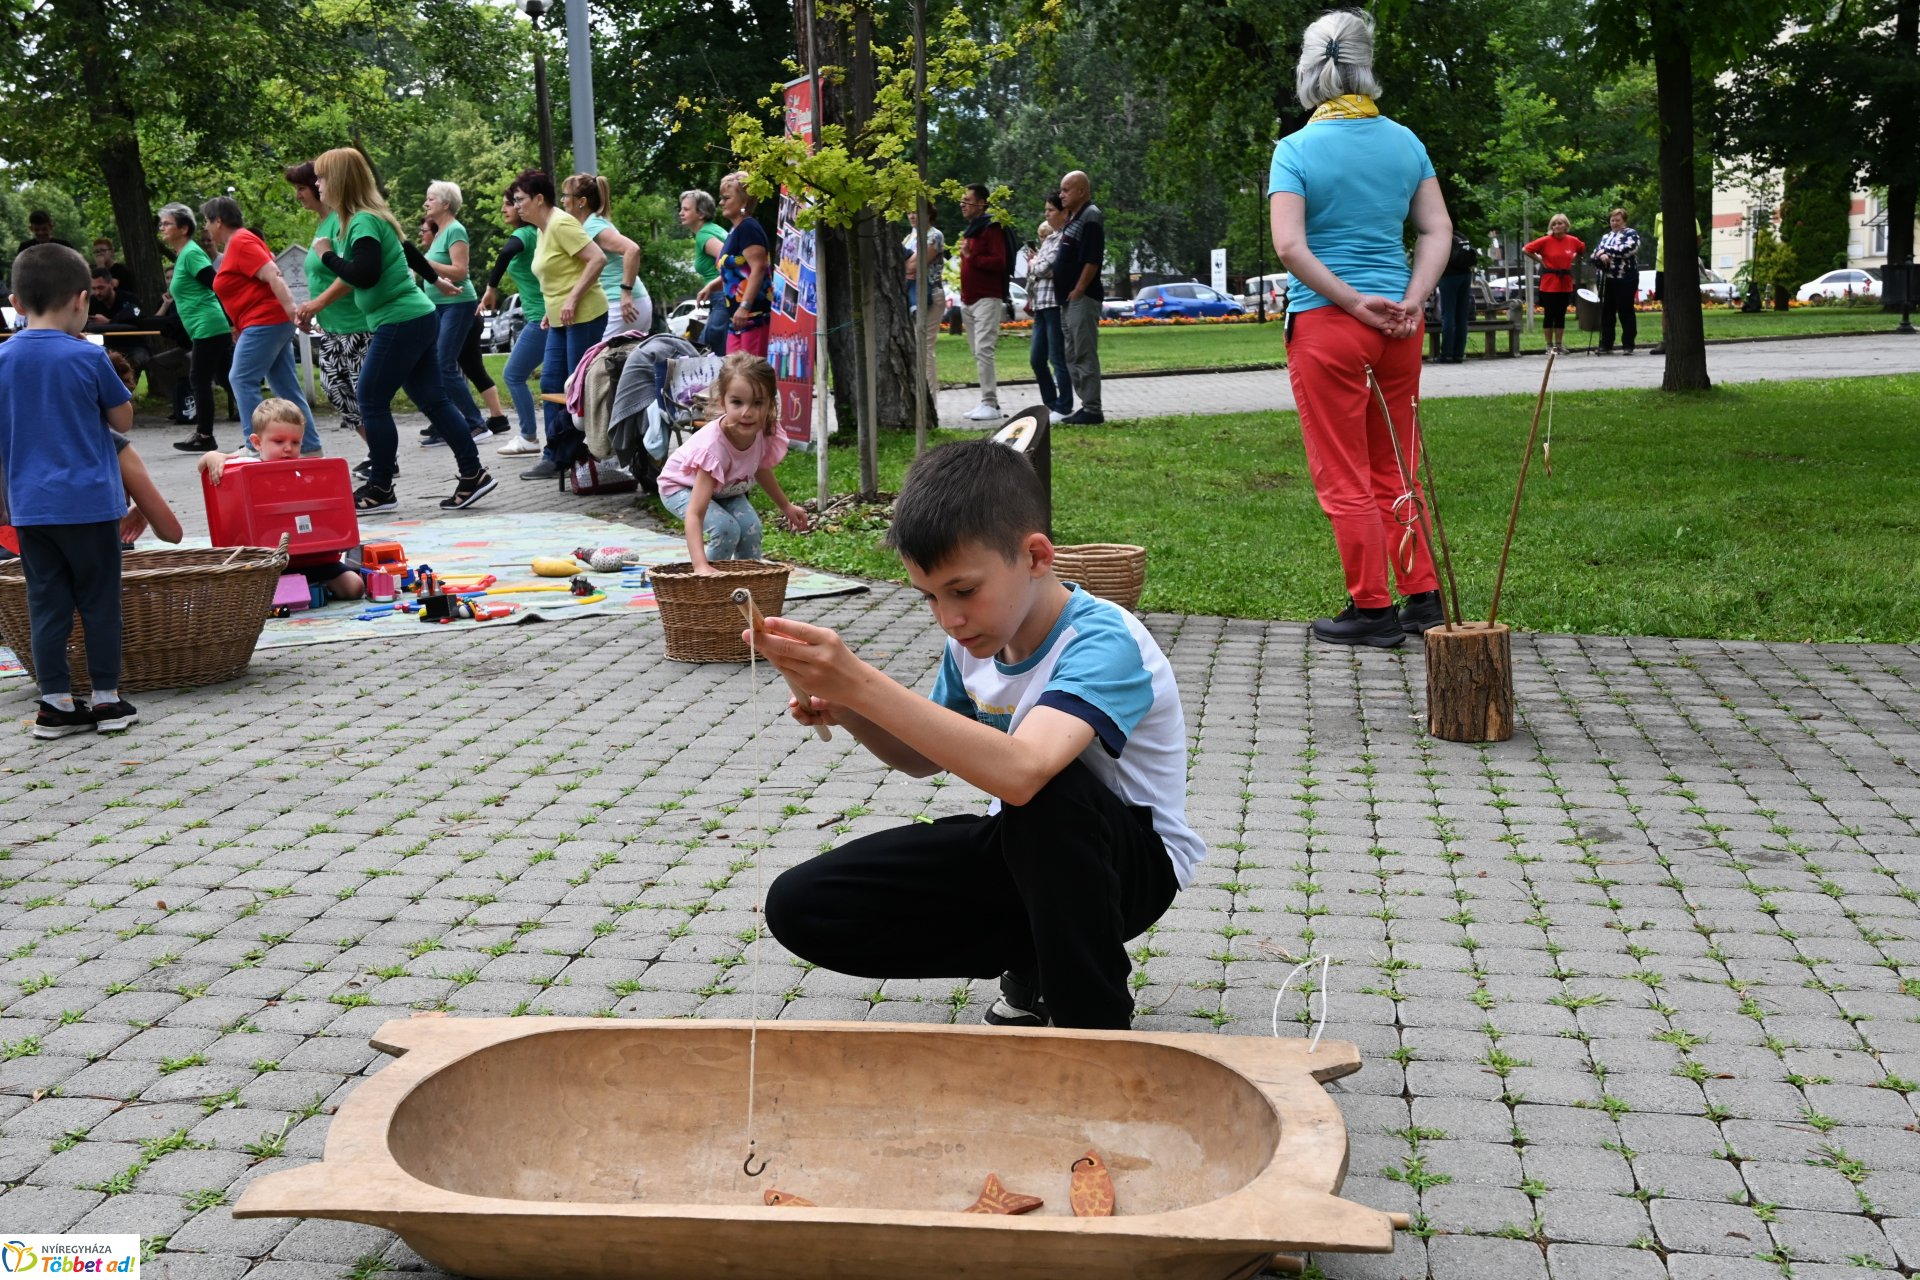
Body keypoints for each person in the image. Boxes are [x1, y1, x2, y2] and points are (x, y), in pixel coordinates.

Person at [752, 438, 1202, 1030]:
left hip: (1131, 867)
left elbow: (1023, 772)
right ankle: (1036, 956)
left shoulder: (1105, 641)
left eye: (963, 591)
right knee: (804, 906)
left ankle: (1092, 1025)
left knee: (1047, 792)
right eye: (931, 598)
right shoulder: (971, 644)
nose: (950, 618)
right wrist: (850, 709)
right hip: (1029, 851)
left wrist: (862, 682)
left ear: (1036, 557)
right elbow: (919, 758)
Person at [1268, 8, 1451, 647]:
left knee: (1343, 470)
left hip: (1328, 322)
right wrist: (1411, 299)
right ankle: (1422, 597)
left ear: (1308, 69)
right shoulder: (1407, 143)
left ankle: (1372, 609)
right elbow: (1435, 229)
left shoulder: (1294, 150)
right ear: (1366, 64)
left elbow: (1290, 248)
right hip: (1399, 325)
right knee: (1396, 465)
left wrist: (1352, 302)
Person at [0, 244, 146, 737]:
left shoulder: (1, 359)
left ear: (16, 302)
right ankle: (105, 698)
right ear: (83, 300)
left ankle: (55, 703)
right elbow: (122, 417)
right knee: (100, 600)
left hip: (31, 508)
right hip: (89, 504)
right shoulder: (89, 355)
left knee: (47, 603)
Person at [301, 147, 495, 513]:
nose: (317, 184)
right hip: (414, 317)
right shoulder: (370, 217)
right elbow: (407, 251)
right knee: (433, 399)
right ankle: (473, 474)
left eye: (322, 177)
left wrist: (326, 253)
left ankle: (380, 487)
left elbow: (365, 273)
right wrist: (435, 279)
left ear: (340, 180)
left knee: (371, 399)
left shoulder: (360, 221)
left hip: (400, 320)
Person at [199, 399, 367, 602]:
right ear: (257, 442)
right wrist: (212, 457)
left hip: (314, 558)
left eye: (295, 442)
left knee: (354, 587)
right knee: (257, 598)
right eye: (279, 442)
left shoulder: (304, 473)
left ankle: (313, 585)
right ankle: (302, 588)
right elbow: (205, 465)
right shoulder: (248, 465)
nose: (288, 448)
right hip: (269, 563)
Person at [656, 353, 807, 572]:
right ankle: (708, 586)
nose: (747, 412)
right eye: (737, 402)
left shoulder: (764, 432)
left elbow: (760, 467)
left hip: (723, 488)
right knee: (725, 528)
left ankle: (746, 583)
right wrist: (699, 565)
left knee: (750, 528)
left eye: (757, 403)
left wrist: (785, 505)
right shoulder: (714, 447)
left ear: (770, 403)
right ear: (722, 401)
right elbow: (695, 513)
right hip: (681, 487)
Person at [203, 196, 323, 456]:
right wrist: (238, 325)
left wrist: (293, 310)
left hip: (266, 320)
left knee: (241, 377)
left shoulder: (242, 241)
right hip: (264, 322)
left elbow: (273, 274)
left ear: (218, 221)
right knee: (286, 387)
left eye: (207, 221)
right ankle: (311, 447)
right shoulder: (239, 243)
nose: (207, 228)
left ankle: (254, 445)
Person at [509, 169, 607, 482]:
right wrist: (554, 308)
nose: (516, 205)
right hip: (560, 319)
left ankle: (570, 455)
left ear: (540, 199)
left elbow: (597, 259)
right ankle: (556, 454)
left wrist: (572, 299)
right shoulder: (541, 229)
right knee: (550, 382)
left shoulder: (562, 223)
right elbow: (558, 274)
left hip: (586, 314)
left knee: (573, 387)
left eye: (521, 199)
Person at [283, 162, 374, 454]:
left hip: (356, 324)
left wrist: (316, 304)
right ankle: (378, 452)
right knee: (337, 391)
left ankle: (383, 459)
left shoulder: (341, 222)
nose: (298, 195)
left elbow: (350, 275)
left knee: (365, 397)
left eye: (302, 188)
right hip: (333, 327)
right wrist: (311, 310)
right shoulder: (322, 225)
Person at [418, 181, 498, 442]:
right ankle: (446, 425)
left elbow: (460, 271)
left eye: (430, 199)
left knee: (443, 364)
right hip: (438, 306)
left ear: (445, 204)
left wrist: (426, 263)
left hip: (458, 305)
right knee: (436, 365)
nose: (426, 203)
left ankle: (477, 424)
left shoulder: (455, 230)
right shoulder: (439, 232)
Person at [157, 203, 235, 453]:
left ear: (183, 228)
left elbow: (217, 284)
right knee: (229, 379)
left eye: (167, 223)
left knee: (199, 378)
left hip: (209, 325)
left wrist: (234, 319)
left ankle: (204, 435)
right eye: (162, 223)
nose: (162, 228)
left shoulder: (191, 254)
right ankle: (263, 424)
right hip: (206, 326)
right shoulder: (183, 255)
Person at [481, 188, 548, 457]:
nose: (504, 209)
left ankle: (529, 436)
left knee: (513, 374)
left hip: (541, 319)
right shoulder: (536, 233)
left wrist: (491, 287)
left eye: (509, 204)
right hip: (544, 315)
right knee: (553, 381)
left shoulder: (523, 234)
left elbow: (506, 252)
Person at [562, 174, 650, 337]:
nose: (563, 201)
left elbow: (632, 249)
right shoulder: (594, 223)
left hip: (622, 306)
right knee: (626, 361)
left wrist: (626, 293)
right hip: (631, 304)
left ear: (581, 202)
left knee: (596, 360)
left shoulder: (593, 226)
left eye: (566, 196)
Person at [698, 172, 772, 359]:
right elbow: (738, 270)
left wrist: (745, 306)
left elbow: (758, 268)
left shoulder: (748, 228)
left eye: (726, 198)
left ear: (743, 201)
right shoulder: (735, 230)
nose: (721, 203)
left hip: (752, 314)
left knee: (749, 374)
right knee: (734, 370)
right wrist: (712, 286)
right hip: (737, 317)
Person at [1054, 170, 1106, 424]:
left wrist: (1079, 288)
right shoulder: (1073, 218)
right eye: (1061, 190)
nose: (1061, 194)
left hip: (1081, 299)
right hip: (1068, 299)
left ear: (1082, 191)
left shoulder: (1091, 216)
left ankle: (1093, 409)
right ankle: (1085, 406)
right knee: (1072, 353)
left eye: (1066, 190)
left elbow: (1092, 258)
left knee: (1084, 352)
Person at [958, 184, 1011, 422]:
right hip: (969, 299)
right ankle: (985, 402)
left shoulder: (992, 228)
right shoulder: (972, 229)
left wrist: (973, 257)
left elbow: (1000, 262)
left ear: (981, 203)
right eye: (962, 200)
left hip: (987, 298)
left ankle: (990, 403)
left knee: (984, 351)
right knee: (976, 352)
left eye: (967, 200)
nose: (962, 204)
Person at [1025, 194, 1071, 420]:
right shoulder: (1050, 240)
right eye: (1045, 210)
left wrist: (1035, 265)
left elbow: (1042, 268)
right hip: (1040, 305)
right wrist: (1038, 267)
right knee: (1036, 359)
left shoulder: (1065, 238)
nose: (1046, 214)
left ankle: (1064, 406)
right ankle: (1050, 403)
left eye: (1051, 210)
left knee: (1057, 357)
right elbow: (1039, 272)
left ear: (1063, 212)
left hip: (1054, 304)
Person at [1523, 214, 1583, 356]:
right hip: (1549, 282)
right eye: (1554, 224)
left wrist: (1573, 259)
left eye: (1560, 223)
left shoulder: (1572, 241)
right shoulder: (1545, 241)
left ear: (1566, 226)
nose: (1557, 226)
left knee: (1561, 315)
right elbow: (1526, 249)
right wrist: (1539, 260)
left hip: (1565, 282)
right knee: (1549, 315)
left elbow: (1581, 249)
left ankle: (1559, 344)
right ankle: (1549, 346)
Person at [903, 204, 946, 404]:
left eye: (916, 211)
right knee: (916, 348)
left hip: (930, 295)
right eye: (909, 211)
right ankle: (919, 399)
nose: (912, 215)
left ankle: (929, 402)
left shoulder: (934, 236)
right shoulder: (910, 236)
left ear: (928, 213)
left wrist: (908, 265)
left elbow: (913, 265)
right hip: (914, 294)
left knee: (924, 348)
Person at [679, 189, 729, 350]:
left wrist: (710, 286)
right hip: (724, 296)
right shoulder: (713, 229)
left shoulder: (704, 235)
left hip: (722, 296)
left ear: (701, 214)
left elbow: (730, 262)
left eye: (686, 209)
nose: (681, 213)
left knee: (708, 347)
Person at [1591, 208, 1640, 355]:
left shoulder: (1631, 233)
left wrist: (1604, 252)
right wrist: (1600, 253)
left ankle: (1628, 344)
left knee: (1626, 311)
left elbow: (1628, 250)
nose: (1615, 223)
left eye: (1618, 220)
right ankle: (1606, 344)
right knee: (1607, 312)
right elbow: (1593, 254)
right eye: (1612, 220)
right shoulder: (1606, 236)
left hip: (1625, 277)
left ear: (1624, 221)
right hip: (1606, 279)